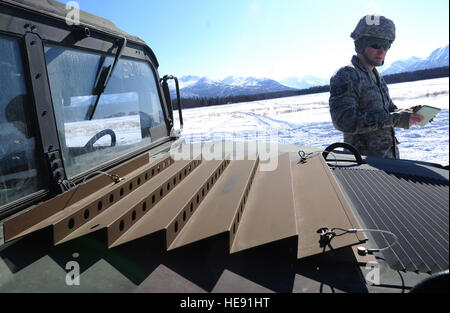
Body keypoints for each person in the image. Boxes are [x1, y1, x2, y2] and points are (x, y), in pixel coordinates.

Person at [329, 15, 425, 159]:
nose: (382, 51)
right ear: (361, 44)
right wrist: (395, 118)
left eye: (386, 46)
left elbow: (389, 111)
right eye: (375, 45)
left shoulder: (376, 76)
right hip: (363, 167)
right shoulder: (347, 75)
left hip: (388, 161)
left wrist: (410, 113)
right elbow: (343, 121)